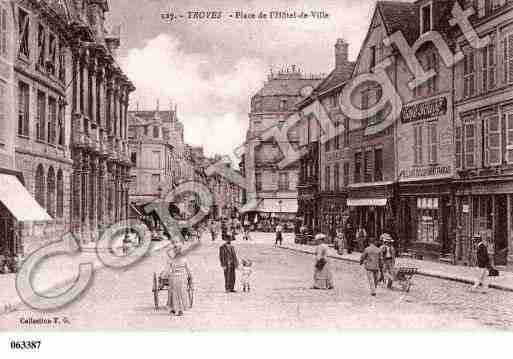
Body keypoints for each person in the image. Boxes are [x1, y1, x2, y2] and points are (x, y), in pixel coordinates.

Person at [167, 243, 193, 317]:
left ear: (174, 251)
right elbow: (189, 270)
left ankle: (175, 309)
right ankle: (180, 310)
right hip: (182, 278)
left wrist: (166, 275)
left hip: (174, 278)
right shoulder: (184, 259)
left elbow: (168, 270)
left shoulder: (172, 259)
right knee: (182, 293)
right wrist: (190, 277)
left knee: (174, 293)